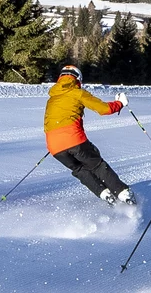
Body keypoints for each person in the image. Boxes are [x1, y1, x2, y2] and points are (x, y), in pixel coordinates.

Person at [44, 65, 134, 205]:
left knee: (79, 169)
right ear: (78, 79)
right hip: (74, 139)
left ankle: (105, 194)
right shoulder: (77, 93)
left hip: (54, 147)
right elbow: (104, 109)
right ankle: (123, 193)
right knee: (96, 165)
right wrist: (120, 103)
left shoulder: (52, 98)